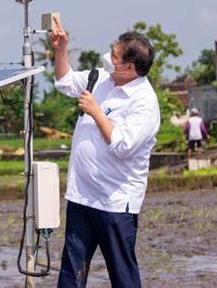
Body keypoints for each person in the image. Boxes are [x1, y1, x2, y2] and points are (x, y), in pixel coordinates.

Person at [50, 17, 160, 287]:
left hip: (114, 202)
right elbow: (64, 80)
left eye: (114, 56)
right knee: (71, 273)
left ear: (130, 67)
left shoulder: (145, 103)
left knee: (122, 275)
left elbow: (123, 146)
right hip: (81, 196)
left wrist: (96, 111)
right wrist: (61, 49)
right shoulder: (100, 79)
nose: (108, 59)